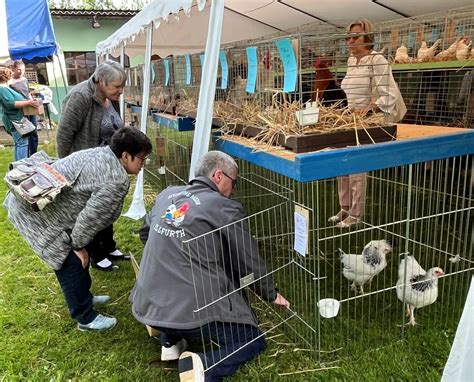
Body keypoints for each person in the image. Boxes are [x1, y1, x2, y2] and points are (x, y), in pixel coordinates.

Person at [130, 150, 290, 382]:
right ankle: (204, 367)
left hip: (148, 304)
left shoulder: (168, 195)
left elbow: (146, 232)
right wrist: (270, 293)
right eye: (233, 182)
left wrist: (170, 252)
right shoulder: (223, 207)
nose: (232, 190)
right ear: (218, 176)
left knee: (177, 291)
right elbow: (247, 259)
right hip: (190, 311)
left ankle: (169, 341)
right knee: (252, 340)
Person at [3, 127, 152, 332]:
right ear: (125, 155)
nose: (144, 164)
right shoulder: (116, 179)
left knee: (81, 253)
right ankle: (85, 317)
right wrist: (77, 245)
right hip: (37, 213)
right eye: (142, 159)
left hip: (48, 204)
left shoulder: (103, 153)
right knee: (70, 260)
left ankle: (86, 296)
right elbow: (90, 218)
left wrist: (82, 244)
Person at [329, 19, 406, 228]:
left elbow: (389, 93)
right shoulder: (351, 61)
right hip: (347, 119)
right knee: (341, 163)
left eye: (355, 37)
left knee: (356, 168)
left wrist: (371, 106)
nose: (350, 42)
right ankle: (344, 207)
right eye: (348, 38)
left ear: (367, 38)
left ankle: (355, 213)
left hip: (366, 122)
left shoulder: (377, 60)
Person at [56, 60, 128, 271]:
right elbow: (63, 135)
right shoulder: (81, 97)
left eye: (122, 86)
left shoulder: (108, 97)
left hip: (107, 163)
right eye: (117, 86)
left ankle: (108, 246)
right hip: (87, 167)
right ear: (101, 81)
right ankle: (96, 252)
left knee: (108, 205)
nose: (121, 91)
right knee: (93, 210)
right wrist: (65, 171)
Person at [0, 66, 41, 161]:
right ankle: (21, 166)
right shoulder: (2, 89)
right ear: (7, 77)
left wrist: (27, 100)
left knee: (19, 143)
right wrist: (29, 102)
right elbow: (10, 103)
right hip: (14, 119)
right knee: (22, 143)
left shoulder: (5, 88)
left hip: (16, 118)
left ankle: (17, 166)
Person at [10, 60, 39, 156]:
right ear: (13, 69)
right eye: (19, 70)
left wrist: (32, 100)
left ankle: (33, 154)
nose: (21, 72)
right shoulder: (9, 82)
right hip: (20, 110)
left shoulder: (24, 79)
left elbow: (27, 93)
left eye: (23, 70)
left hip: (30, 108)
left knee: (33, 131)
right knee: (25, 133)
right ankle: (25, 156)